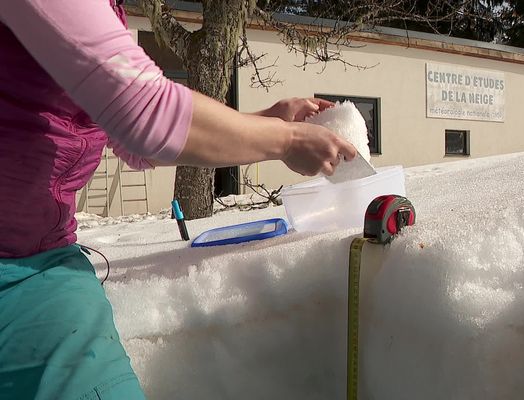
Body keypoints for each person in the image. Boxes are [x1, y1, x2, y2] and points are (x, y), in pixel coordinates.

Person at [0, 1, 357, 399]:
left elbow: (132, 140)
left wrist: (267, 119)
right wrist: (285, 140)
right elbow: (143, 113)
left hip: (39, 261)